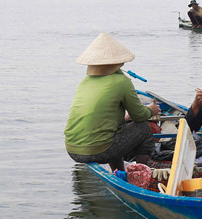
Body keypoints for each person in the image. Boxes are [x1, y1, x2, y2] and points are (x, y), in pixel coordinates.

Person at [64, 33, 160, 170]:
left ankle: (118, 172)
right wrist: (152, 110)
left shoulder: (85, 82)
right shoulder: (122, 81)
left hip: (72, 150)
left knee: (116, 131)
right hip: (98, 150)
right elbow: (139, 115)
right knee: (144, 128)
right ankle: (138, 174)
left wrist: (125, 118)